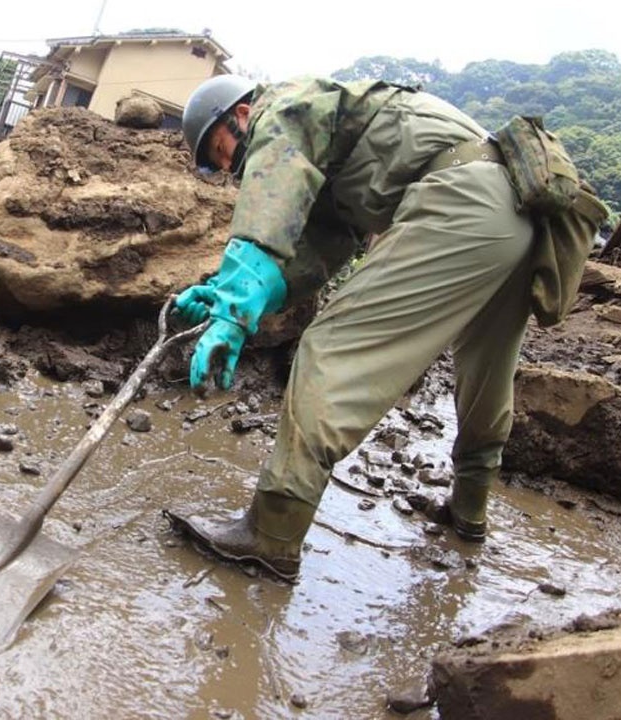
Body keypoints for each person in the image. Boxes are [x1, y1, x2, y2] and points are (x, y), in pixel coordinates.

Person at [165, 73, 547, 581]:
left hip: (459, 199)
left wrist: (234, 307)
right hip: (516, 213)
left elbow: (274, 188)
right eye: (221, 169)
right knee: (487, 371)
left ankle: (271, 534)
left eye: (224, 151)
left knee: (329, 349)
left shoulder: (283, 107)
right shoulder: (334, 135)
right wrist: (227, 292)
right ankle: (470, 513)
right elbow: (321, 252)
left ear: (239, 113)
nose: (233, 170)